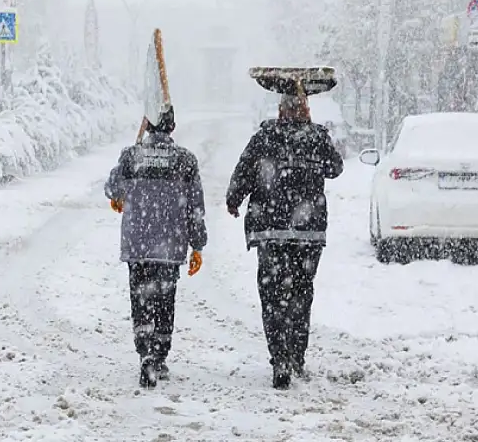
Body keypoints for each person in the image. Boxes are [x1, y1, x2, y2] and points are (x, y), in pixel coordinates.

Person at [225, 93, 344, 390]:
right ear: (305, 110)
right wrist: (315, 140)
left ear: (280, 111)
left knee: (272, 296)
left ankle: (279, 357)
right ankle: (296, 355)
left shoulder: (264, 137)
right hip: (308, 233)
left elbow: (244, 170)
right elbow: (335, 168)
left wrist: (234, 198)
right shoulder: (317, 138)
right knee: (301, 294)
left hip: (271, 230)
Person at [104, 105, 208, 388]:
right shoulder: (185, 160)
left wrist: (130, 159)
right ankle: (159, 355)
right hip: (170, 245)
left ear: (148, 126)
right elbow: (195, 207)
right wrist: (197, 245)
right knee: (165, 300)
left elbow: (112, 188)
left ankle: (145, 351)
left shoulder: (132, 155)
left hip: (138, 244)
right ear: (172, 127)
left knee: (141, 299)